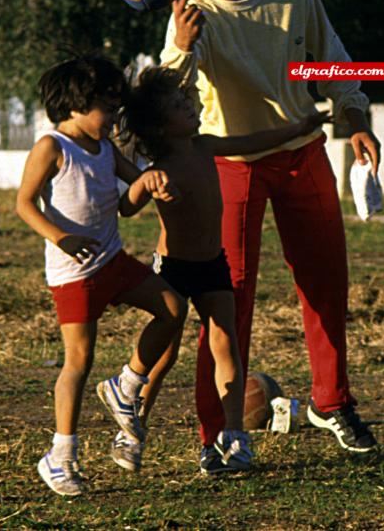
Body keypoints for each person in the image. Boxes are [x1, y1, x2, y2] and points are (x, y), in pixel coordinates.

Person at [160, 0, 381, 455]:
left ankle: (332, 403)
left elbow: (331, 66)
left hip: (303, 152)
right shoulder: (191, 13)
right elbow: (167, 98)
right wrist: (183, 46)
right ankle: (217, 436)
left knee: (325, 283)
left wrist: (355, 120)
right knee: (225, 300)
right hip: (229, 167)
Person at [118, 67, 336, 473]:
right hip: (174, 269)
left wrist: (298, 128)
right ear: (160, 127)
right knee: (163, 357)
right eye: (180, 107)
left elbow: (251, 142)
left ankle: (234, 437)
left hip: (212, 264)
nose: (191, 106)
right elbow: (126, 207)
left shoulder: (204, 146)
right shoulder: (159, 167)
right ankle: (132, 429)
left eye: (187, 101)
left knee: (227, 345)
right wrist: (145, 185)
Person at [15, 56, 187, 496]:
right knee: (78, 361)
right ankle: (60, 456)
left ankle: (126, 384)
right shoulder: (51, 147)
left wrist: (151, 183)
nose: (113, 119)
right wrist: (61, 238)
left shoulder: (106, 149)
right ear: (75, 105)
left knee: (172, 308)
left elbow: (129, 202)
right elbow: (24, 205)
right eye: (107, 110)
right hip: (74, 272)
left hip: (112, 258)